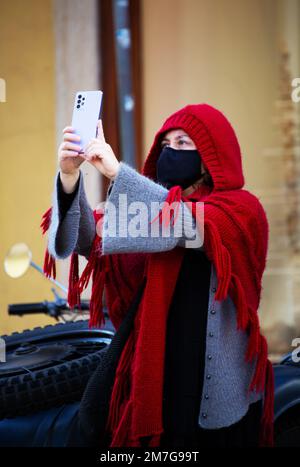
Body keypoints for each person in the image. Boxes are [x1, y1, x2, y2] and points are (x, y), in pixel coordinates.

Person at [41, 103, 274, 448]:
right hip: (158, 384)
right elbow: (90, 241)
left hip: (220, 401)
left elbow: (187, 226)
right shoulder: (150, 209)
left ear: (213, 157)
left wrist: (118, 173)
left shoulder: (241, 210)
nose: (171, 152)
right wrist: (70, 177)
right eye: (165, 145)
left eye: (183, 144)